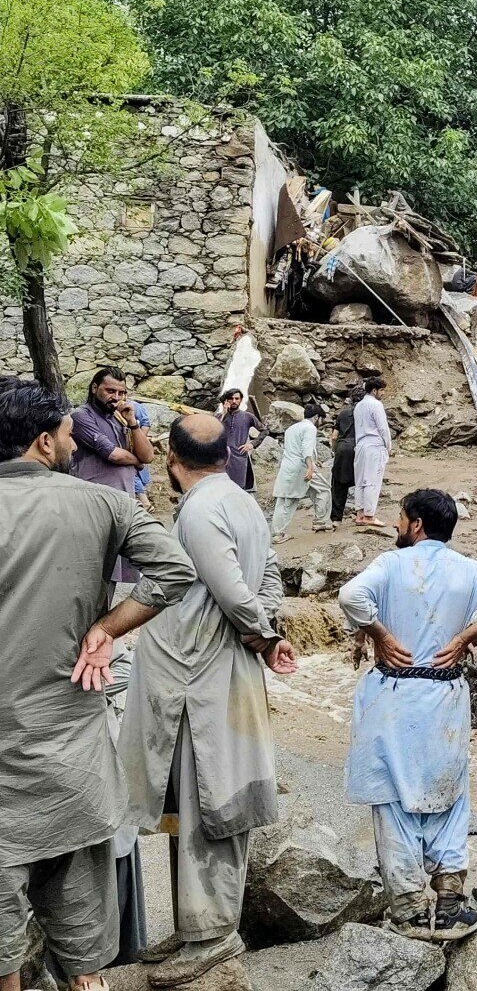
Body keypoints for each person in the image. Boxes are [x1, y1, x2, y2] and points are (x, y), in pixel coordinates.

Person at [1, 380, 195, 991]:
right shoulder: (103, 505)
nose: (70, 441)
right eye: (64, 433)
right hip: (71, 758)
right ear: (42, 439)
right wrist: (107, 628)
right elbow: (175, 572)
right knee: (82, 925)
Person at [118, 414, 293, 985]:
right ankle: (195, 926)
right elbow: (267, 581)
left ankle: (214, 933)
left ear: (172, 456)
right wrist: (267, 632)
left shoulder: (199, 510)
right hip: (218, 671)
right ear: (224, 453)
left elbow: (231, 588)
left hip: (200, 676)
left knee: (208, 802)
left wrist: (259, 632)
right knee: (193, 802)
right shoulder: (243, 501)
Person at [339, 489, 477, 940]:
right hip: (444, 695)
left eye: (401, 518)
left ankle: (407, 909)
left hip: (395, 694)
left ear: (416, 524)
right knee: (450, 793)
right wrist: (466, 637)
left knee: (394, 798)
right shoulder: (467, 569)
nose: (397, 525)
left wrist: (377, 631)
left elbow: (351, 595)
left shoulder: (390, 564)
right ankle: (450, 900)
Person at [71, 367, 155, 587]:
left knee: (110, 578)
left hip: (120, 508)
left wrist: (133, 422)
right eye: (110, 391)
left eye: (121, 393)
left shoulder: (120, 418)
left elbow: (147, 456)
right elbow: (112, 454)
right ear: (94, 388)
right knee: (93, 578)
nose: (116, 398)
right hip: (95, 508)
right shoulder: (81, 417)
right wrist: (136, 460)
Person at [271, 402, 330, 541]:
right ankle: (279, 534)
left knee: (284, 498)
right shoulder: (310, 428)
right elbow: (306, 449)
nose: (321, 423)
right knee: (294, 498)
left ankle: (278, 531)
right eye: (321, 419)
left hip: (288, 466)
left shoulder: (292, 428)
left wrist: (313, 462)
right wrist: (310, 467)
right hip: (301, 468)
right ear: (317, 417)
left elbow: (296, 447)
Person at [353, 376, 392, 526]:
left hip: (361, 445)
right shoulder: (376, 405)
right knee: (372, 481)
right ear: (374, 390)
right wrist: (388, 446)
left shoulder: (358, 406)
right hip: (374, 445)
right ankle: (369, 515)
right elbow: (383, 427)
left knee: (360, 481)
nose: (382, 393)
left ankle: (360, 514)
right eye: (381, 390)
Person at [215, 389, 265, 492]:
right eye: (231, 398)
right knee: (220, 489)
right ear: (226, 401)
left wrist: (252, 444)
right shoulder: (219, 416)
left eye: (236, 398)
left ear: (241, 400)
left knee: (238, 489)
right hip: (221, 459)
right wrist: (224, 413)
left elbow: (264, 430)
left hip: (239, 458)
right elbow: (213, 429)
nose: (234, 401)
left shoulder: (248, 416)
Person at [330, 394, 358, 526]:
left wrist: (335, 450)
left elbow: (334, 436)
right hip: (359, 448)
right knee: (362, 482)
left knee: (338, 484)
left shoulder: (343, 413)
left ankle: (336, 518)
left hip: (342, 448)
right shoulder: (365, 413)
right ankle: (360, 513)